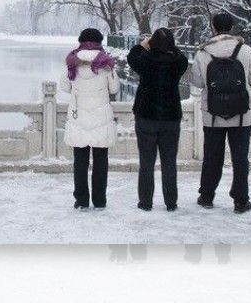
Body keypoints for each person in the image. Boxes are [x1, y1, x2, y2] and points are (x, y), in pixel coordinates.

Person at [187, 12, 251, 213]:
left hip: (213, 114)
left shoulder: (203, 52)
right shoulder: (245, 50)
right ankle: (240, 200)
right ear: (232, 28)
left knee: (212, 157)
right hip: (241, 115)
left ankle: (207, 196)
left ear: (213, 28)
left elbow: (197, 82)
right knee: (240, 158)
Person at [127, 27, 189, 211]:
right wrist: (171, 47)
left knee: (146, 161)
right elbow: (181, 57)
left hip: (147, 116)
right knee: (169, 162)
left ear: (152, 42)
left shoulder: (145, 60)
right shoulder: (177, 62)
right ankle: (171, 202)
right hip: (170, 117)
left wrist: (143, 45)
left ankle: (145, 202)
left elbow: (132, 57)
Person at [60, 27, 120, 209]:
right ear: (99, 42)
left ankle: (81, 200)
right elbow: (115, 89)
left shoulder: (72, 62)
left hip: (79, 118)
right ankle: (100, 200)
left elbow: (64, 87)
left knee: (80, 162)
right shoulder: (106, 64)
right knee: (101, 162)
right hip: (101, 118)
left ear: (81, 41)